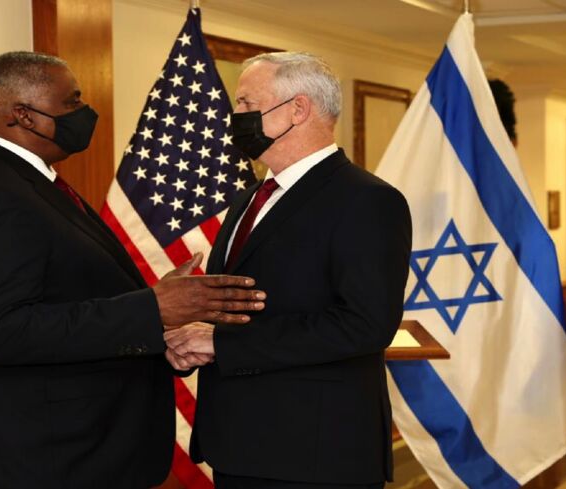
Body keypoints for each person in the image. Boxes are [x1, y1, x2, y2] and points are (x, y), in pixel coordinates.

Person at [0, 51, 266, 489]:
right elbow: (1, 330)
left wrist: (154, 310)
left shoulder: (33, 183)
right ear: (22, 115)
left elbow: (67, 300)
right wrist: (151, 309)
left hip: (79, 454)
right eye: (71, 102)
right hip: (37, 461)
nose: (85, 112)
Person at [165, 52, 412, 488]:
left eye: (245, 103)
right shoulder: (248, 199)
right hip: (237, 446)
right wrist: (193, 334)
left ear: (297, 110)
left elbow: (365, 325)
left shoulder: (367, 200)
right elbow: (238, 305)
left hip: (315, 455)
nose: (234, 115)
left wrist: (222, 343)